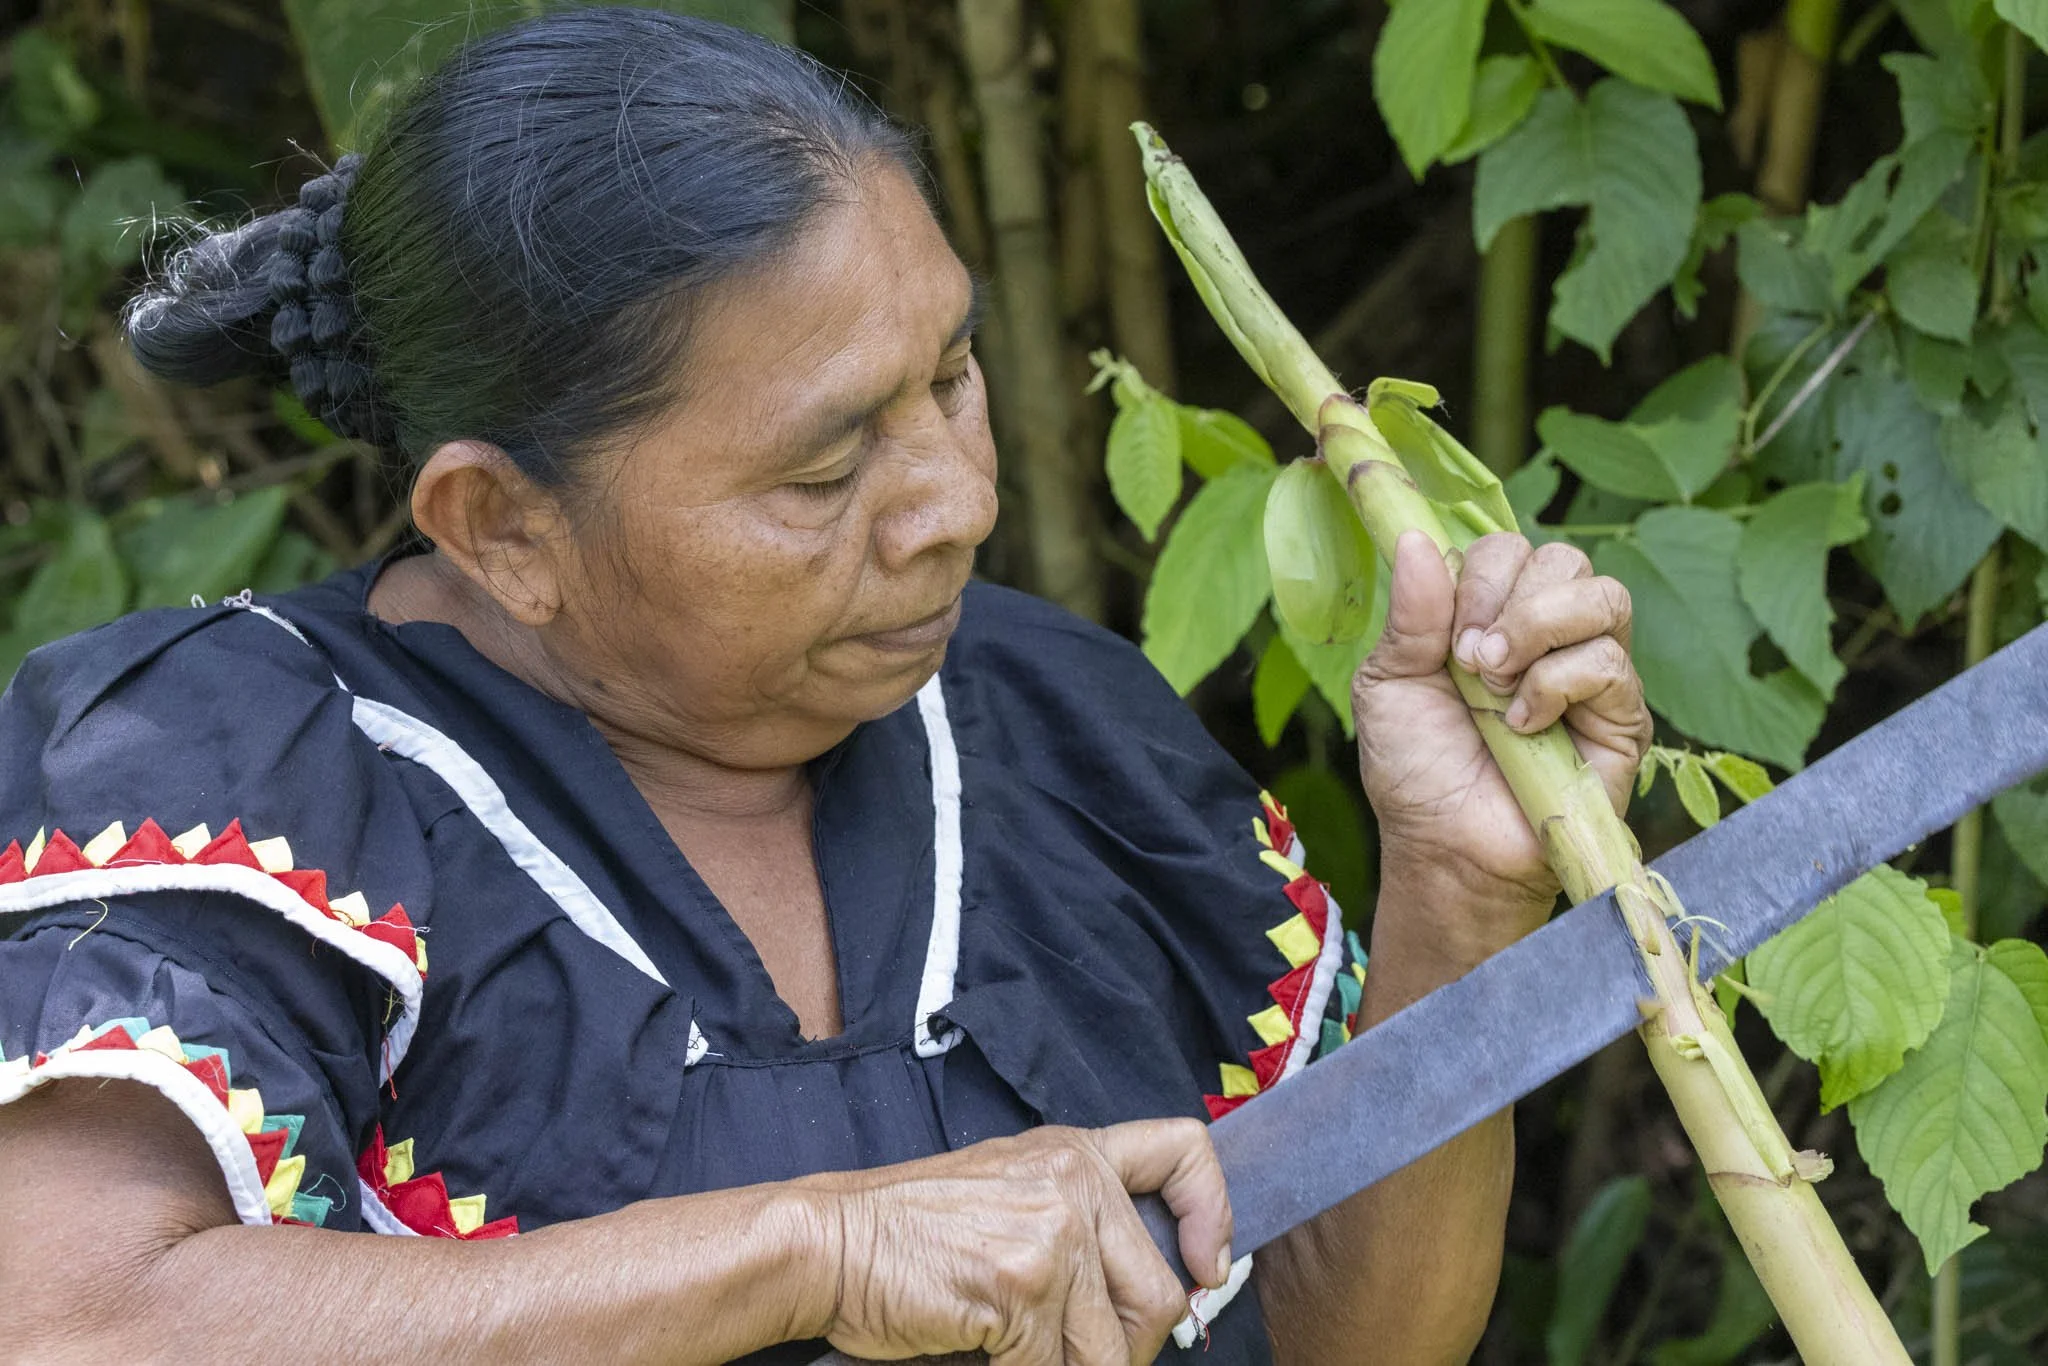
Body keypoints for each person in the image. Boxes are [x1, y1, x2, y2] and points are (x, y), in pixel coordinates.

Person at [0, 10, 1651, 1364]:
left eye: (951, 375)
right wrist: (817, 1245)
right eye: (825, 465)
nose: (957, 498)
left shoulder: (1056, 728)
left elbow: (1347, 1343)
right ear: (500, 526)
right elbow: (66, 1321)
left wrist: (1453, 897)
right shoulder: (258, 774)